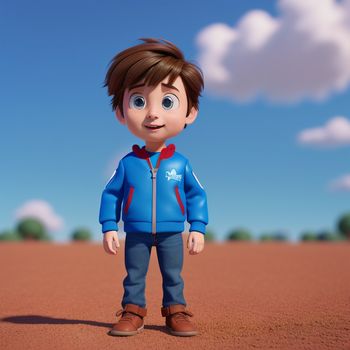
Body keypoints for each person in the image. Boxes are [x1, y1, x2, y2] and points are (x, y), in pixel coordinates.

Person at [99, 38, 209, 337]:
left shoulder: (181, 164)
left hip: (173, 231)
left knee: (173, 275)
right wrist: (109, 226)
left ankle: (176, 311)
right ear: (121, 112)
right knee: (134, 275)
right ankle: (133, 311)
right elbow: (111, 194)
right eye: (138, 101)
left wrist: (197, 227)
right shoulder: (127, 164)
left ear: (190, 112)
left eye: (168, 102)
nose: (152, 113)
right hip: (135, 231)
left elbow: (196, 194)